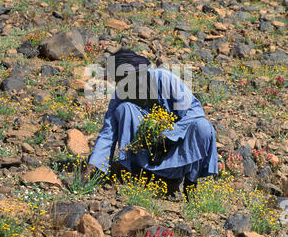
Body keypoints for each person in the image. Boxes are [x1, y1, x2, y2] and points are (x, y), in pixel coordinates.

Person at [82, 48, 219, 198]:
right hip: (146, 152)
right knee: (124, 109)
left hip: (176, 147)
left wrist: (169, 134)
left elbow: (195, 110)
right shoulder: (121, 94)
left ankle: (190, 183)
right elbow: (108, 133)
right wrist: (92, 167)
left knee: (203, 127)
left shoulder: (165, 79)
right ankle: (133, 173)